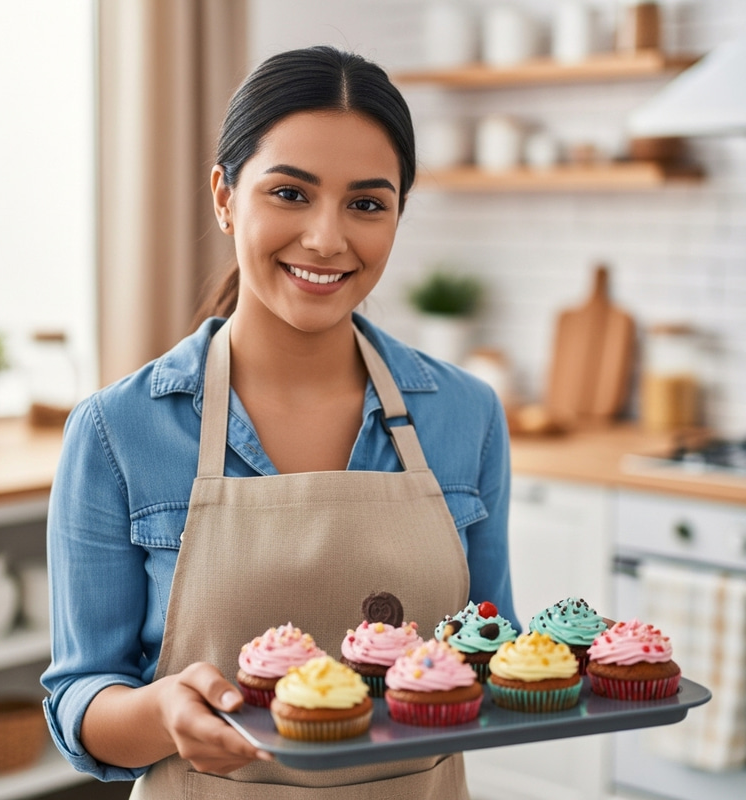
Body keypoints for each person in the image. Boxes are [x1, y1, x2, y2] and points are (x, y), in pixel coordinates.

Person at [42, 45, 519, 799]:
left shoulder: (467, 415)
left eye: (367, 203)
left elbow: (495, 653)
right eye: (291, 193)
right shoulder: (115, 431)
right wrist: (162, 714)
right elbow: (79, 700)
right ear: (224, 196)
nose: (328, 238)